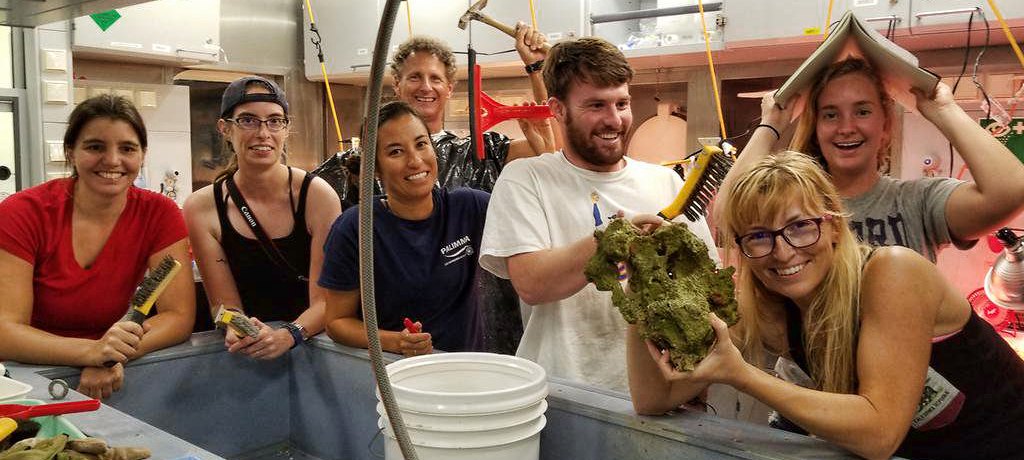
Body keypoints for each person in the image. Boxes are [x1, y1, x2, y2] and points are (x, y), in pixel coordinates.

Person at [629, 150, 1024, 460]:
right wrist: (641, 281)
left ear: (834, 224)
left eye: (800, 226)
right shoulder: (767, 309)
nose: (782, 253)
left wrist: (743, 375)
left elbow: (879, 434)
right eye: (759, 236)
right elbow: (653, 399)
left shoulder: (894, 272)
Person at [478, 37, 720, 392]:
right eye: (596, 105)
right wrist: (611, 240)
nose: (614, 120)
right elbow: (532, 283)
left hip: (659, 393)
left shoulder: (666, 182)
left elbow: (709, 286)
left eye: (622, 103)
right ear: (558, 109)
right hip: (561, 393)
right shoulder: (527, 178)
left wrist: (696, 383)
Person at [0, 94, 195, 399]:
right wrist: (91, 352)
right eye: (95, 147)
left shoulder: (161, 214)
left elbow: (178, 316)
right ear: (70, 152)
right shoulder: (23, 212)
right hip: (25, 378)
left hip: (109, 368)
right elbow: (6, 333)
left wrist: (113, 352)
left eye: (127, 148)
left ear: (143, 154)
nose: (113, 160)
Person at [760, 57, 1024, 262]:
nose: (846, 127)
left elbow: (1011, 190)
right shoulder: (792, 203)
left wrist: (945, 111)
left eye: (862, 111)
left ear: (885, 123)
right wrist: (770, 126)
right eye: (830, 115)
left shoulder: (918, 201)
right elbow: (728, 215)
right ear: (816, 127)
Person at [183, 76, 341, 360]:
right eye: (248, 120)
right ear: (225, 129)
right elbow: (223, 306)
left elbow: (326, 301)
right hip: (250, 353)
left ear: (286, 128)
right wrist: (239, 328)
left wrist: (289, 334)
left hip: (315, 349)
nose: (263, 133)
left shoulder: (317, 196)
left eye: (274, 121)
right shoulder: (203, 207)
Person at [319, 101, 490, 356]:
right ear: (375, 168)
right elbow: (336, 322)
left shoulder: (468, 207)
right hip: (397, 376)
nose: (415, 161)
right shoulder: (357, 228)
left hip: (468, 371)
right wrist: (395, 341)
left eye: (421, 144)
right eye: (396, 152)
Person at [312, 27, 556, 203]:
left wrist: (537, 67)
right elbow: (297, 195)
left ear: (450, 87)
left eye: (435, 78)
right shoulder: (363, 162)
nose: (426, 87)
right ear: (397, 84)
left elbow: (551, 145)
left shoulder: (482, 151)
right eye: (415, 77)